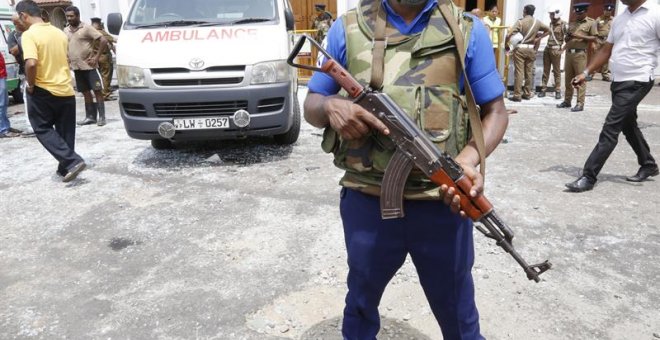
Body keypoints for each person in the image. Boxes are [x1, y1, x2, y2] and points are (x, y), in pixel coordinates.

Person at [303, 0, 509, 337]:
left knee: (458, 313)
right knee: (360, 302)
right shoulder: (348, 28)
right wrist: (330, 105)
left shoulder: (466, 29)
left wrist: (468, 159)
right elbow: (312, 103)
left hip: (442, 204)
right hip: (367, 203)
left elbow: (496, 111)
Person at [565, 0, 659, 192]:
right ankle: (648, 164)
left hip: (639, 79)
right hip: (618, 80)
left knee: (611, 126)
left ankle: (589, 176)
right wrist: (586, 72)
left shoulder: (656, 14)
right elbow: (606, 50)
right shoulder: (620, 18)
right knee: (628, 124)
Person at [17, 0, 86, 182]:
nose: (20, 23)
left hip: (43, 89)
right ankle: (66, 168)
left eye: (19, 19)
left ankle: (72, 161)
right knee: (66, 131)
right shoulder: (59, 33)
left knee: (41, 128)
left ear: (24, 15)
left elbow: (31, 63)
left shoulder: (29, 35)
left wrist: (30, 85)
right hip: (65, 88)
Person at [64, 6, 109, 126]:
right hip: (77, 67)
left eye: (71, 16)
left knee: (97, 90)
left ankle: (102, 117)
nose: (69, 18)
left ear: (78, 16)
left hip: (89, 67)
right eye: (67, 16)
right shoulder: (66, 30)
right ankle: (90, 116)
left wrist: (96, 57)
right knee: (85, 92)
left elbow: (103, 40)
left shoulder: (86, 28)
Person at [556, 2, 597, 112]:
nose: (577, 15)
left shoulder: (591, 23)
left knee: (580, 79)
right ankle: (567, 101)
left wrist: (578, 35)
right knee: (568, 79)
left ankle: (580, 103)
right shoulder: (572, 24)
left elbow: (594, 38)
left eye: (580, 13)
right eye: (576, 13)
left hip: (580, 54)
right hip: (569, 53)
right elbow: (568, 39)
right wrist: (567, 40)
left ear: (585, 12)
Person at [505, 4, 550, 102]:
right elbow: (549, 30)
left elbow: (509, 34)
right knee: (529, 72)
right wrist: (539, 38)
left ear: (525, 11)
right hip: (531, 49)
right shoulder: (537, 22)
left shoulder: (520, 22)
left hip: (520, 49)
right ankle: (527, 93)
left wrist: (506, 44)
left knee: (519, 72)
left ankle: (517, 95)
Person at [7, 12, 34, 136]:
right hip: (25, 71)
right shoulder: (14, 35)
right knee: (27, 99)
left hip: (39, 68)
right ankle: (31, 126)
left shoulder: (33, 30)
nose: (17, 25)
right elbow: (13, 51)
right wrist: (24, 39)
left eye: (18, 22)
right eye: (15, 23)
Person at [538, 7, 567, 99]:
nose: (550, 16)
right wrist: (539, 38)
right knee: (546, 70)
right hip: (547, 49)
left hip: (556, 49)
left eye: (552, 14)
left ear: (557, 14)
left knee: (556, 71)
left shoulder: (563, 25)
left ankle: (558, 90)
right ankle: (543, 89)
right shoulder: (551, 24)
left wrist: (562, 49)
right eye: (550, 14)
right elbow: (548, 33)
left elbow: (569, 39)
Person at [90, 17, 116, 101]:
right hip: (104, 57)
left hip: (95, 57)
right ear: (99, 23)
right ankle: (106, 94)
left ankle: (102, 92)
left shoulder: (90, 32)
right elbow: (114, 40)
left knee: (100, 76)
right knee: (106, 76)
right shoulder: (101, 33)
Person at [591, 3, 614, 82]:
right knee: (595, 57)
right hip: (599, 40)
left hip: (608, 40)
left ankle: (605, 75)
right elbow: (593, 31)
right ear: (604, 11)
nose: (608, 12)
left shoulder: (614, 20)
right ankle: (591, 73)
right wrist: (593, 42)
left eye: (609, 10)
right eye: (606, 10)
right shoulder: (598, 19)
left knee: (606, 58)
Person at [0, 51, 19, 138]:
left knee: (4, 102)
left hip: (2, 74)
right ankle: (3, 129)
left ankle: (5, 126)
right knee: (1, 103)